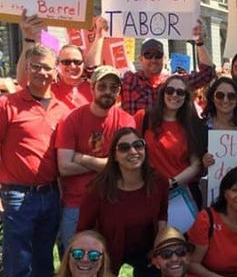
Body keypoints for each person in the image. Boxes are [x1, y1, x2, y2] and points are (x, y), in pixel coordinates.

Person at [0, 44, 68, 277]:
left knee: (44, 269)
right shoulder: (7, 105)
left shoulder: (62, 109)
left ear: (55, 71)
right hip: (16, 196)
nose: (42, 72)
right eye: (36, 66)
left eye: (46, 67)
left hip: (50, 196)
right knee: (17, 270)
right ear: (26, 68)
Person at [77, 127, 169, 277]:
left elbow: (162, 214)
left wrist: (159, 247)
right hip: (108, 250)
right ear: (114, 156)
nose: (133, 151)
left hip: (148, 250)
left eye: (138, 145)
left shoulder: (159, 181)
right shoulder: (98, 188)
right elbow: (84, 229)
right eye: (124, 148)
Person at [56, 66, 135, 251]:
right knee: (75, 260)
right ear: (92, 88)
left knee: (109, 263)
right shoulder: (71, 119)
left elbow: (126, 163)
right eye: (103, 86)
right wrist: (109, 163)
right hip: (76, 203)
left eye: (113, 87)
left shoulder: (126, 120)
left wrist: (81, 157)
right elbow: (64, 167)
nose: (108, 92)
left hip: (112, 201)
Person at [87, 18, 216, 114]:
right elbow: (93, 73)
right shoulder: (129, 81)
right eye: (148, 55)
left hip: (164, 146)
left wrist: (199, 42)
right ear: (141, 59)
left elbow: (207, 74)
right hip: (135, 145)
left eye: (158, 55)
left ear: (164, 59)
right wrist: (99, 36)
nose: (153, 59)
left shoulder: (174, 83)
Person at [135, 74, 206, 207]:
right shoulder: (143, 118)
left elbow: (196, 165)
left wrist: (170, 183)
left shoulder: (192, 124)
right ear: (163, 93)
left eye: (180, 92)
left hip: (181, 194)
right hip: (149, 192)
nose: (174, 95)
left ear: (186, 98)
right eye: (170, 90)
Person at [16, 10, 92, 109]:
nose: (72, 66)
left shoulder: (94, 87)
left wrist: (100, 35)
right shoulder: (50, 86)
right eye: (66, 62)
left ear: (83, 63)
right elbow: (22, 81)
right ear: (58, 64)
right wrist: (29, 39)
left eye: (77, 62)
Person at [135, 226, 215, 277]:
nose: (174, 259)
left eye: (181, 252)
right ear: (156, 262)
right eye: (166, 254)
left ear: (188, 256)